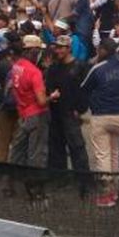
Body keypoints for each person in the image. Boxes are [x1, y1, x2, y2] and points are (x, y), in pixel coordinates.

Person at [81, 38, 119, 207]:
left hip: (101, 116)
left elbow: (83, 87)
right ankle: (115, 192)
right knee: (114, 156)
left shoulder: (98, 68)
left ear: (103, 50)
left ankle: (105, 195)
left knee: (102, 157)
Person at [8, 34, 55, 167]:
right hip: (37, 115)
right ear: (34, 51)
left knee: (18, 151)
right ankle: (34, 184)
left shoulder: (16, 66)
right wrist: (52, 97)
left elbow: (12, 88)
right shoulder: (35, 72)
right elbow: (41, 101)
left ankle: (15, 179)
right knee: (37, 153)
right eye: (39, 51)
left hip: (23, 113)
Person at [45, 34, 90, 171]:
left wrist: (80, 110)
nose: (58, 51)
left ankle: (82, 180)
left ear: (69, 48)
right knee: (56, 149)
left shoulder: (80, 66)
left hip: (71, 114)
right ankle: (60, 179)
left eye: (61, 48)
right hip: (55, 113)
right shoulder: (53, 68)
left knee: (77, 148)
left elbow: (86, 89)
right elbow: (48, 86)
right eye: (57, 48)